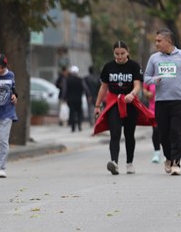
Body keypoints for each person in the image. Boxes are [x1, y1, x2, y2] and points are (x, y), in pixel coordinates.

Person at [144, 28, 181, 176]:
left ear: (168, 41)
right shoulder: (154, 58)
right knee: (163, 133)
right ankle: (168, 157)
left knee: (176, 132)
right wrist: (154, 80)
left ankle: (176, 162)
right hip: (161, 101)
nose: (156, 44)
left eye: (159, 41)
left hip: (178, 101)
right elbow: (146, 78)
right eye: (156, 41)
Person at [93, 41, 155, 175]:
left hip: (130, 103)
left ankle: (129, 163)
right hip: (114, 103)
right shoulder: (108, 67)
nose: (120, 56)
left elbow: (137, 85)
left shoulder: (134, 66)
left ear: (128, 52)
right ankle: (114, 162)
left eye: (122, 53)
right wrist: (97, 105)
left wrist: (132, 94)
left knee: (129, 134)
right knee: (115, 133)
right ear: (113, 53)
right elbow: (103, 87)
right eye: (117, 54)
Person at [66, 65, 89, 132]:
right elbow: (85, 88)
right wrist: (89, 95)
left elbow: (65, 89)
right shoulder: (80, 80)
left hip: (70, 99)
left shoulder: (68, 80)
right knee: (79, 112)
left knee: (72, 112)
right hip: (78, 99)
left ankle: (73, 127)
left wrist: (64, 97)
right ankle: (79, 125)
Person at [142, 82, 161, 163]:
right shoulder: (150, 76)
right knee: (156, 130)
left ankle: (168, 153)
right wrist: (147, 93)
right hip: (153, 109)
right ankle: (157, 152)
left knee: (165, 131)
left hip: (166, 108)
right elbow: (144, 88)